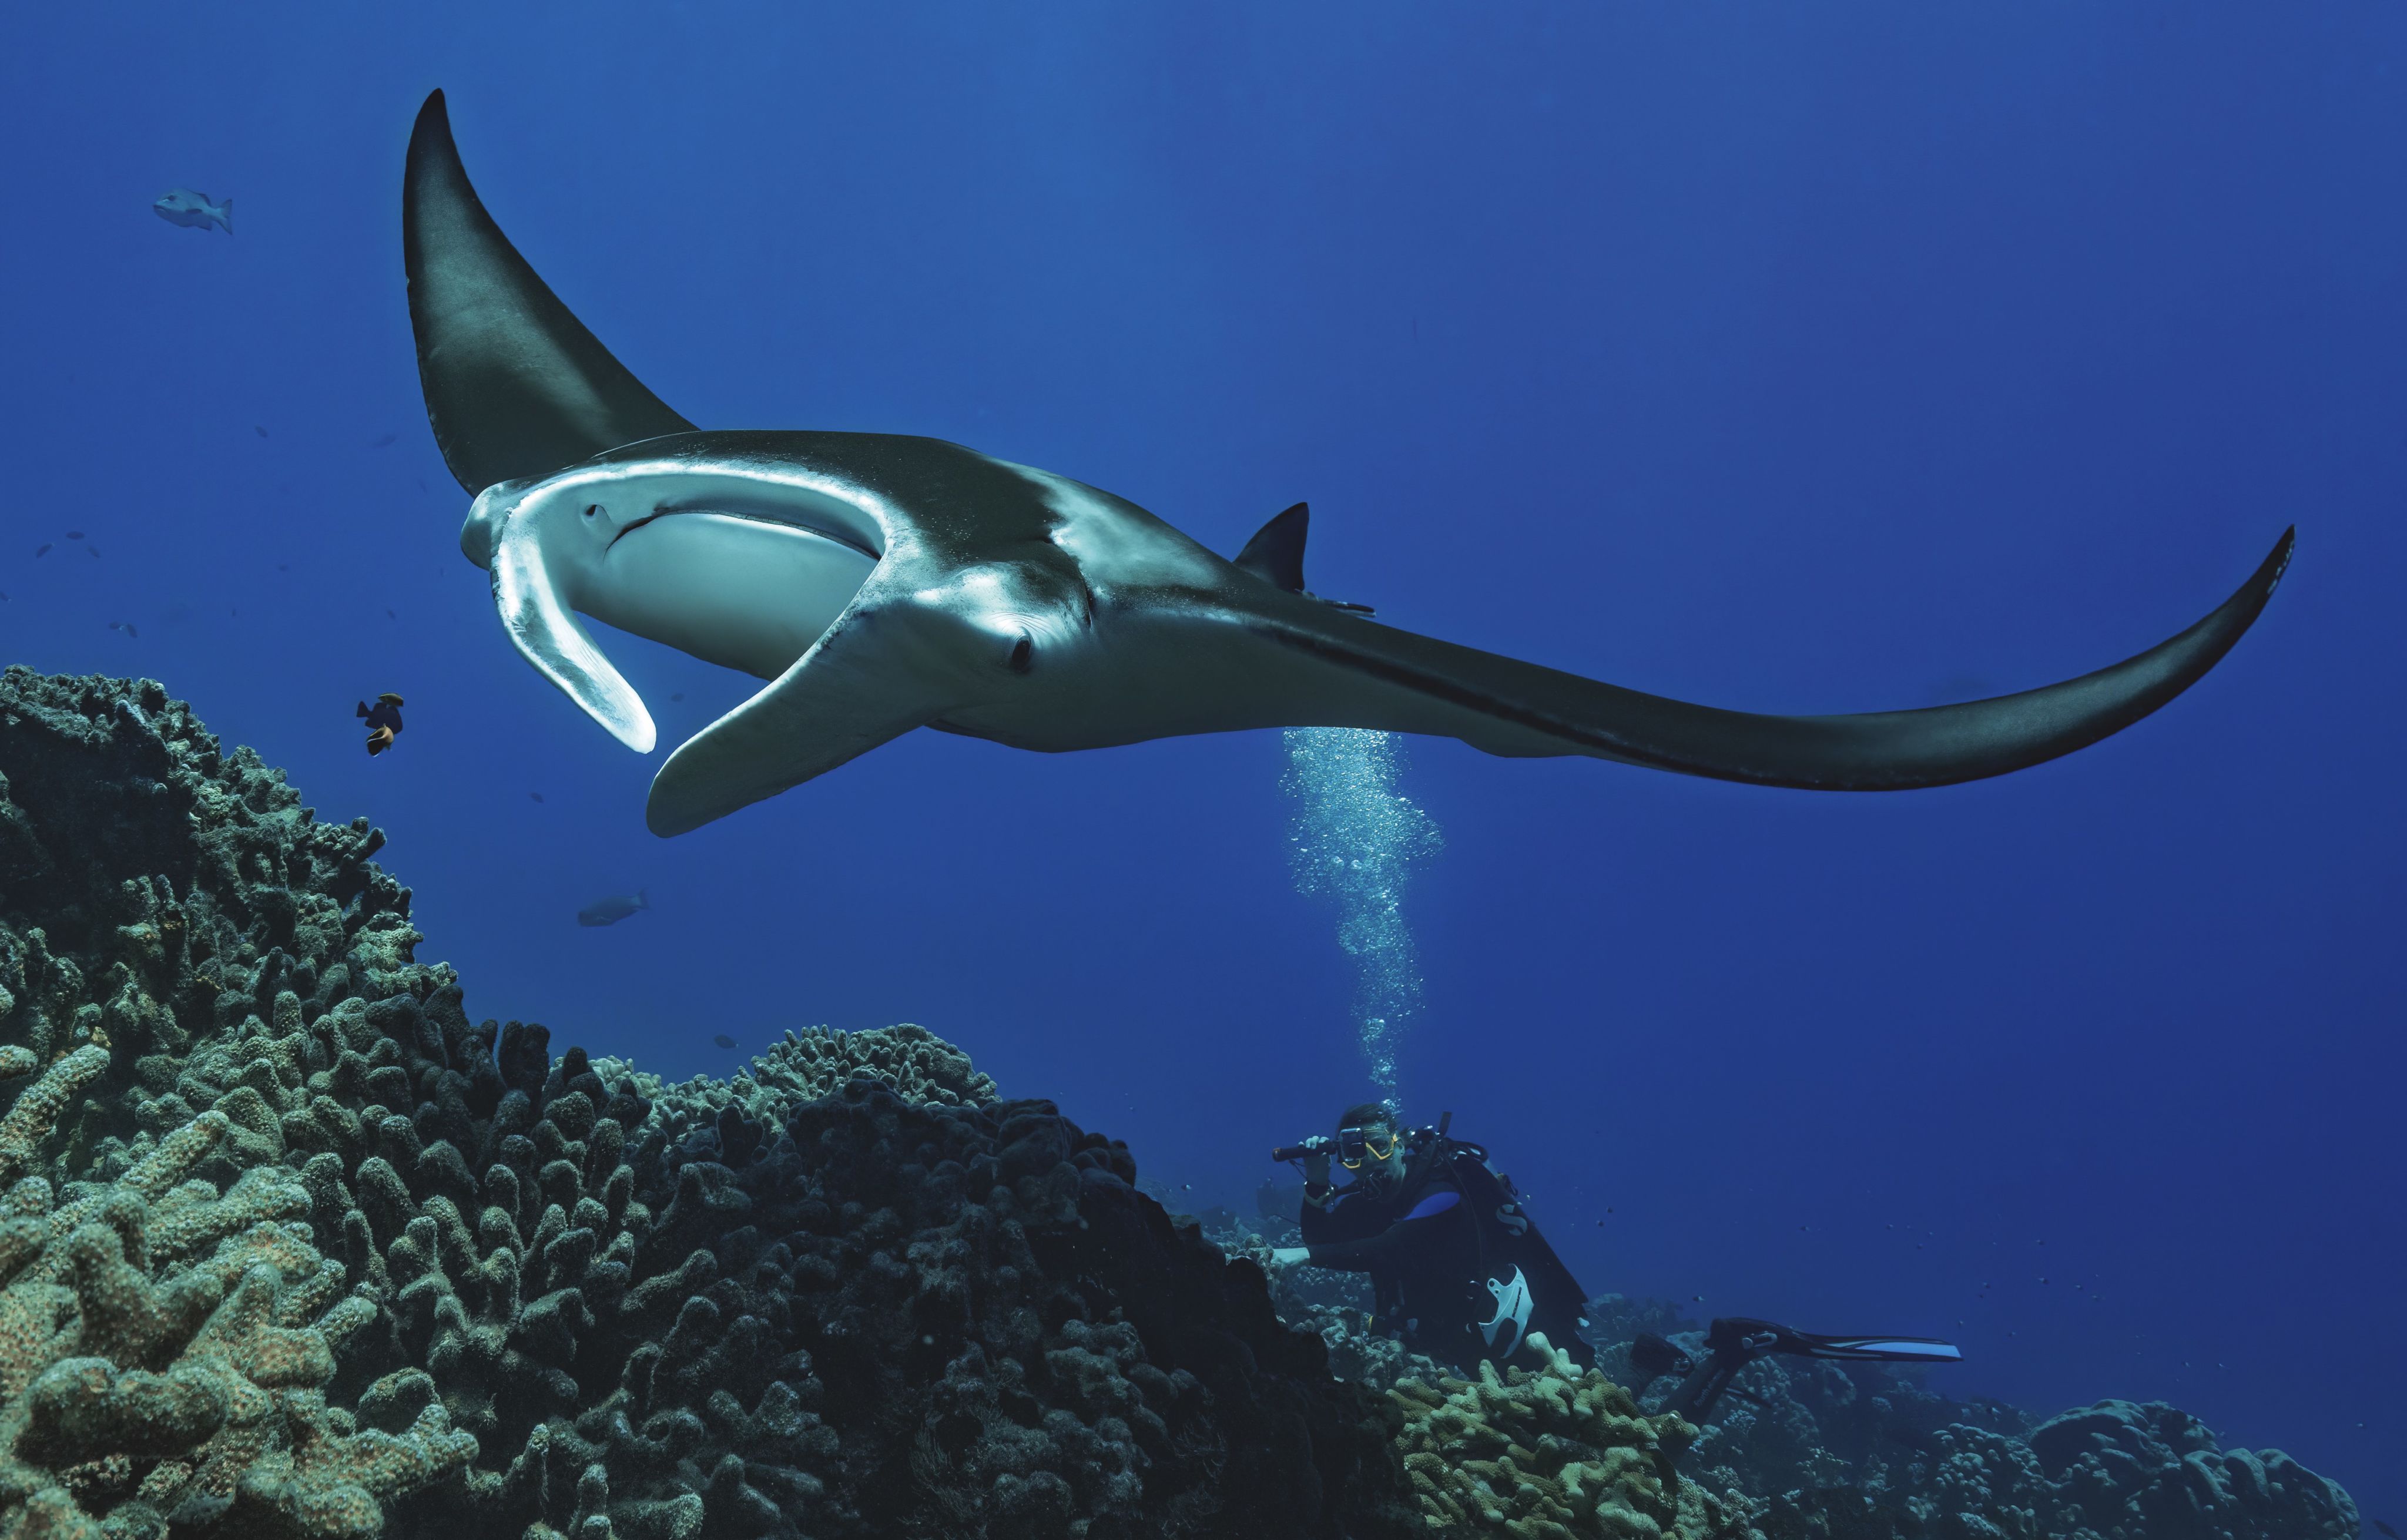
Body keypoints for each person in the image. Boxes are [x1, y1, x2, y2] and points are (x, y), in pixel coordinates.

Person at [1269, 1103, 1595, 1373]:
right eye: (1354, 1152)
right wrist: (1315, 1182)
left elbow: (1390, 1250)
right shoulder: (1369, 1206)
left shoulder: (1442, 1194)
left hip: (1527, 1328)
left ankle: (1641, 1369)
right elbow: (1318, 1238)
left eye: (1380, 1146)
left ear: (1400, 1144)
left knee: (1594, 1402)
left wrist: (1301, 1255)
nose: (1368, 1160)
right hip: (1463, 1347)